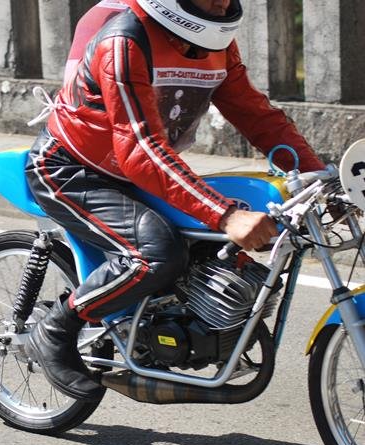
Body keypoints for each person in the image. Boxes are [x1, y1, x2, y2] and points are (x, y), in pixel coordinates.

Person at [25, 0, 325, 402]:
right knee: (158, 253)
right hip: (72, 170)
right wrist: (225, 215)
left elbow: (257, 116)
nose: (222, 1)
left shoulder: (216, 43)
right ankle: (56, 328)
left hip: (144, 169)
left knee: (212, 248)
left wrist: (321, 177)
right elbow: (139, 146)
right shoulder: (126, 38)